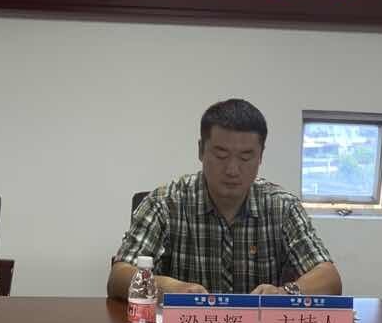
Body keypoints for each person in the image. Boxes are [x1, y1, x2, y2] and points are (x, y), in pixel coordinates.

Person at [107, 98, 341, 299]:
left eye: (245, 157)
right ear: (201, 150)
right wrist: (171, 288)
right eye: (221, 155)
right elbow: (118, 276)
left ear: (261, 156)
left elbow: (329, 279)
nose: (232, 170)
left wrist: (285, 294)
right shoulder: (165, 203)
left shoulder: (282, 206)